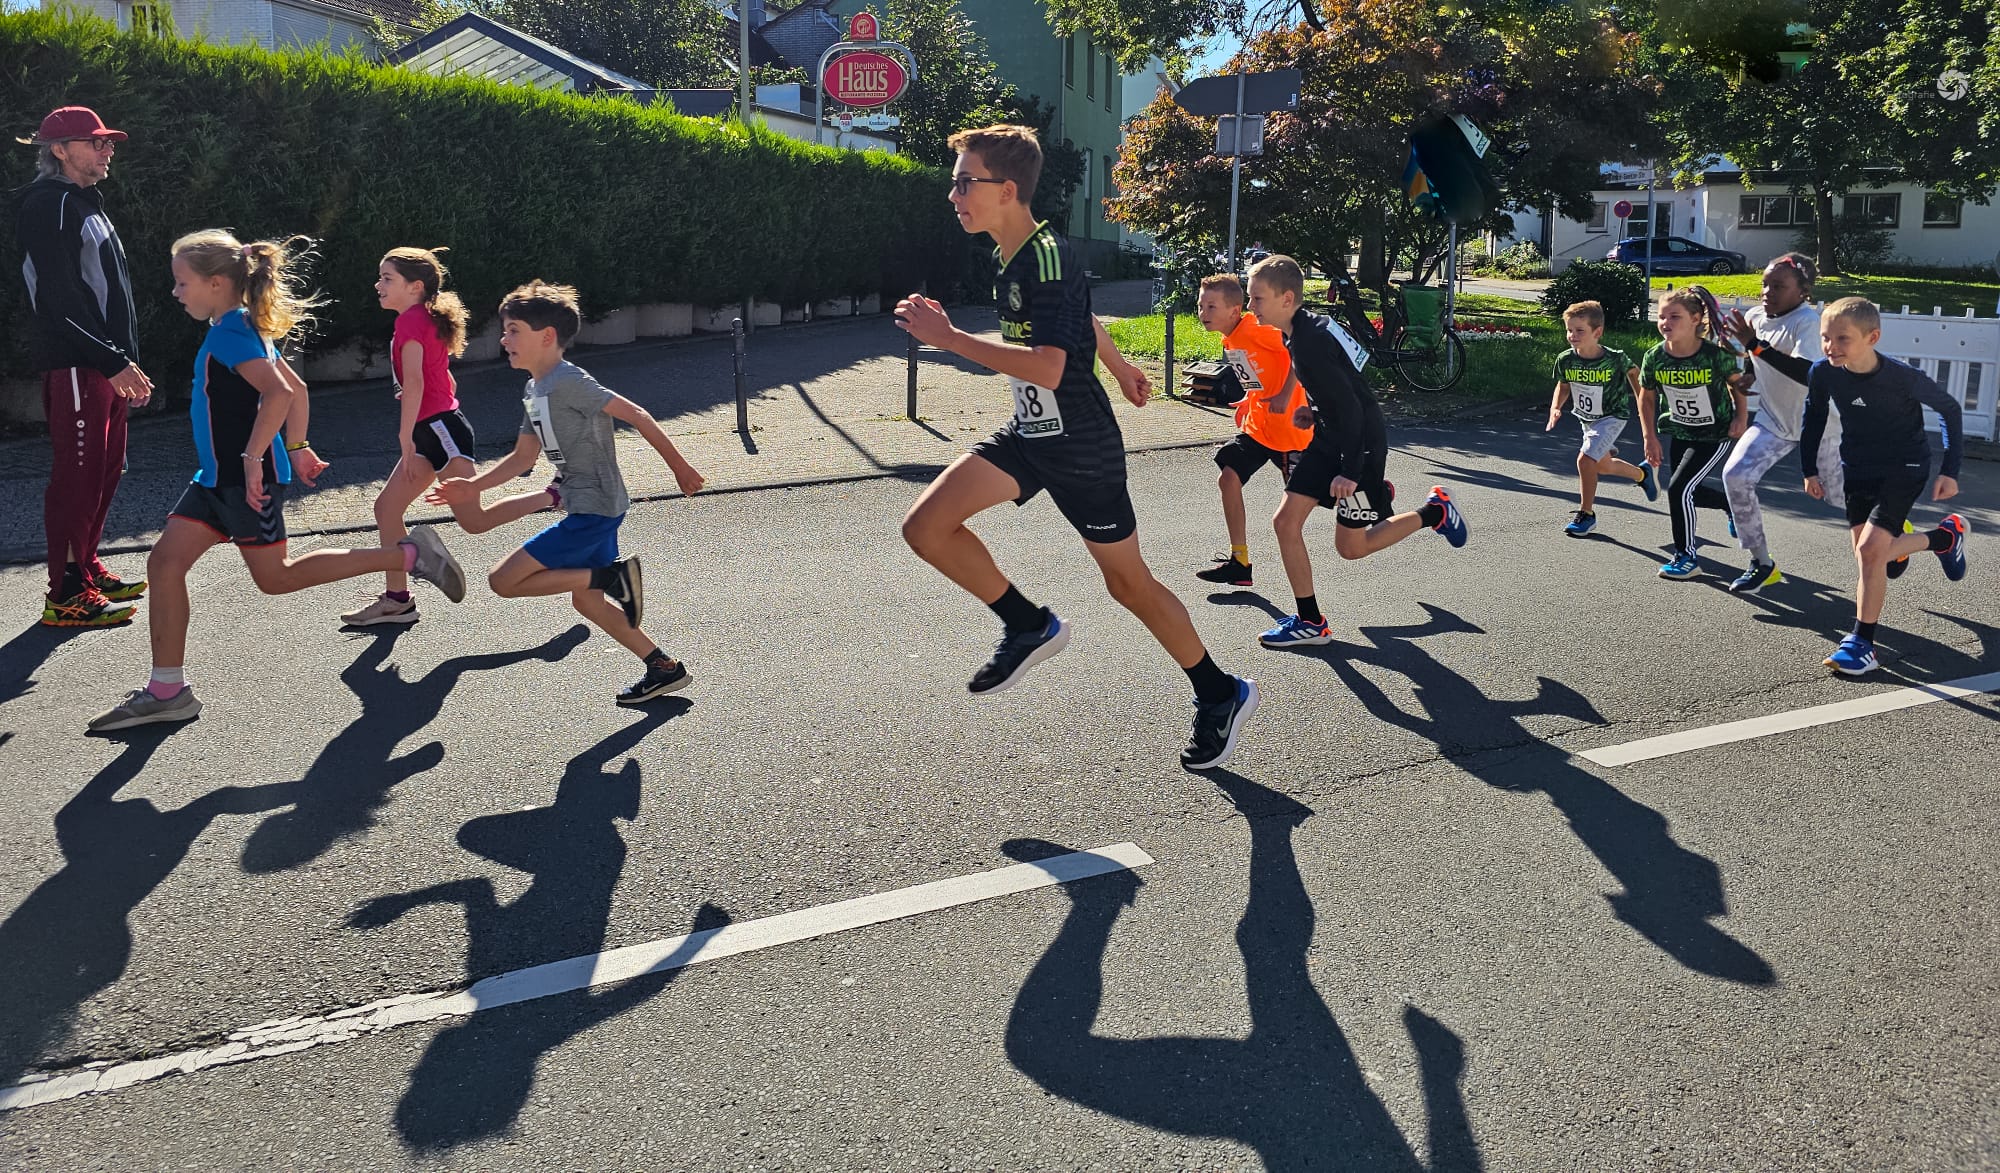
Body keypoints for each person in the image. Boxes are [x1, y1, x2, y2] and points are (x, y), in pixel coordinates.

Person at [895, 123, 1259, 770]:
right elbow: (1077, 313)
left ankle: (1220, 690)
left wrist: (949, 339)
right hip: (1032, 435)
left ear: (1006, 189)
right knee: (926, 526)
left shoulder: (1048, 252)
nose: (953, 194)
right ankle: (1027, 623)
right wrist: (1118, 365)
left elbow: (1051, 366)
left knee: (1129, 584)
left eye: (963, 181)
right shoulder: (1016, 251)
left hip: (1083, 448)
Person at [87, 232, 466, 732]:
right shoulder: (241, 324)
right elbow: (298, 387)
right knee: (165, 563)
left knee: (277, 578)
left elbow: (279, 393)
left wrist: (254, 458)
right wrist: (298, 448)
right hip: (216, 478)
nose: (175, 292)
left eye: (182, 282)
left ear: (216, 282)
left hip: (244, 479)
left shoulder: (231, 332)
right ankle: (167, 690)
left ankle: (410, 557)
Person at [426, 280, 707, 705]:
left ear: (547, 336)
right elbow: (522, 459)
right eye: (505, 330)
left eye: (513, 330)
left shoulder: (568, 381)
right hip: (589, 505)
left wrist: (680, 467)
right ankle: (663, 668)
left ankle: (612, 577)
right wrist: (473, 485)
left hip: (593, 509)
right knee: (588, 603)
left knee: (503, 580)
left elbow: (637, 413)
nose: (504, 339)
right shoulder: (534, 390)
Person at [1243, 255, 1468, 649]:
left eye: (1256, 299)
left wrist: (1352, 470)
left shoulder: (1309, 339)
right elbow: (1344, 376)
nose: (1250, 306)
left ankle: (1434, 511)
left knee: (1352, 548)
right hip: (1331, 437)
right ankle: (1311, 621)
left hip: (1359, 444)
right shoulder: (1298, 327)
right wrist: (1310, 409)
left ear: (1287, 298)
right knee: (1285, 522)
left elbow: (1351, 407)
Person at [14, 106, 153, 627]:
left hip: (103, 365)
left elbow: (106, 294)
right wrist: (111, 360)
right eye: (95, 143)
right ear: (59, 151)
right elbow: (58, 296)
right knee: (75, 477)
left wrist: (125, 362)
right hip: (76, 364)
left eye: (108, 142)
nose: (107, 150)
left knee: (104, 470)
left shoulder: (84, 203)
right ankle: (65, 594)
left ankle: (86, 568)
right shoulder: (47, 205)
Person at [1800, 297, 1968, 676]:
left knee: (1871, 553)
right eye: (1826, 337)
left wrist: (1950, 470)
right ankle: (1944, 539)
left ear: (1872, 337)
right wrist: (1809, 469)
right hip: (1858, 468)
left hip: (1905, 466)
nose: (1831, 346)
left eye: (1842, 339)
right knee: (1872, 556)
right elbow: (1813, 418)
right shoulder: (1823, 373)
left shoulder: (1902, 377)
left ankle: (1861, 644)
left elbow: (1950, 409)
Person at [341, 246, 483, 626]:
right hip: (435, 428)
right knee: (387, 509)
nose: (378, 285)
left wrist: (406, 436)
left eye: (387, 278)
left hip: (439, 431)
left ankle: (564, 519)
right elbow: (440, 376)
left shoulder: (411, 322)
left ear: (415, 286)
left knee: (474, 518)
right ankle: (397, 599)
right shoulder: (418, 318)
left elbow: (417, 382)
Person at [1719, 253, 1844, 592]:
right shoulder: (1755, 317)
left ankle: (1899, 528)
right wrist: (1747, 375)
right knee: (1736, 475)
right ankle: (1762, 563)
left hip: (1816, 427)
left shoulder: (1808, 322)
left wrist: (1754, 347)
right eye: (1764, 284)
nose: (1767, 292)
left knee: (1843, 500)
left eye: (1778, 286)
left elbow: (1808, 373)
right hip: (1773, 421)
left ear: (1803, 292)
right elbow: (1753, 356)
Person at [1191, 272, 1310, 586]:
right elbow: (1257, 374)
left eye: (1211, 307)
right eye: (1200, 305)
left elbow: (1298, 351)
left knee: (1331, 500)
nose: (1203, 313)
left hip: (1290, 433)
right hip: (1259, 429)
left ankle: (1371, 491)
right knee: (1228, 477)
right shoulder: (1231, 337)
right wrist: (1248, 397)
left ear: (1234, 310)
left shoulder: (1257, 329)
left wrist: (1286, 395)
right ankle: (1240, 561)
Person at [1637, 286, 1752, 580]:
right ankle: (1730, 504)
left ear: (1695, 319)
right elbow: (1646, 397)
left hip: (1715, 433)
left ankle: (1686, 556)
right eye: (1662, 317)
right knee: (1689, 491)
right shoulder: (1654, 357)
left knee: (1678, 490)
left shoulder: (1714, 356)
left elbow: (1737, 386)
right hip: (1681, 431)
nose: (1666, 323)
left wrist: (1741, 417)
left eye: (1674, 316)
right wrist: (1649, 437)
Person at [1545, 299, 1656, 536]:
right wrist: (1556, 408)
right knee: (1602, 466)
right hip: (1588, 419)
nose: (1572, 335)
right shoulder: (1566, 359)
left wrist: (1641, 403)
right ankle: (1642, 475)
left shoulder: (1615, 358)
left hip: (1613, 416)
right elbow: (1563, 385)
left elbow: (1635, 375)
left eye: (1579, 331)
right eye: (1569, 330)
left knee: (1585, 461)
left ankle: (1587, 514)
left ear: (1598, 332)